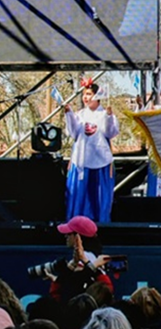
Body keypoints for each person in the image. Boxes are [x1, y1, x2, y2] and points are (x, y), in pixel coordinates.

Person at [64, 78, 119, 222]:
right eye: (84, 94)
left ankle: (100, 223)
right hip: (82, 160)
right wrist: (69, 114)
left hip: (101, 161)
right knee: (80, 195)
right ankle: (77, 224)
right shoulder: (80, 115)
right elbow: (73, 133)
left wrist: (108, 117)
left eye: (89, 94)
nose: (86, 98)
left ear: (97, 96)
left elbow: (110, 132)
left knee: (99, 196)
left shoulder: (104, 114)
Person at [49, 216, 113, 304]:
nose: (66, 236)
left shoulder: (85, 258)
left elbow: (72, 288)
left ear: (78, 237)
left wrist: (60, 280)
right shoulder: (93, 255)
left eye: (69, 233)